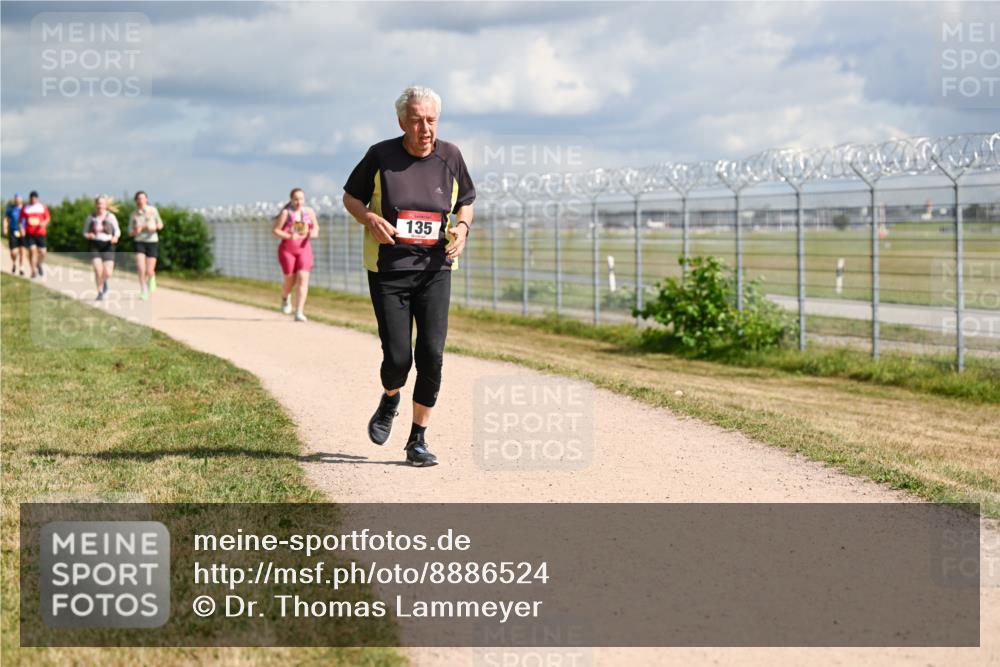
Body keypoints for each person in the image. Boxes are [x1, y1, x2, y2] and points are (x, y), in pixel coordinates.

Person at [342, 85, 475, 467]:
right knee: (398, 357)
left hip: (435, 269)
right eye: (416, 120)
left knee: (431, 353)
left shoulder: (451, 156)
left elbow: (466, 201)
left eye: (431, 120)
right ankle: (390, 397)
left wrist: (462, 229)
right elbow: (351, 196)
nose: (425, 128)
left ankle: (417, 439)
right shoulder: (380, 155)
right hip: (389, 270)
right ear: (402, 121)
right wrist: (368, 217)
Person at [272, 187, 319, 322]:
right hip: (287, 250)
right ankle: (285, 298)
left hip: (304, 249)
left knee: (303, 278)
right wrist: (288, 235)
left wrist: (313, 233)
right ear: (291, 200)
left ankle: (299, 311)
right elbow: (275, 230)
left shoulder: (309, 212)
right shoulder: (286, 213)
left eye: (301, 199)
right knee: (290, 279)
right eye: (296, 199)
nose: (299, 202)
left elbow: (316, 227)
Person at [82, 195, 121, 300]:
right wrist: (88, 235)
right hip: (95, 244)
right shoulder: (91, 217)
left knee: (108, 272)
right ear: (96, 205)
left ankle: (104, 282)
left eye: (102, 203)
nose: (100, 206)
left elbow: (117, 230)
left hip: (108, 244)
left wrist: (115, 237)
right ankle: (100, 292)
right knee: (98, 270)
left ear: (106, 205)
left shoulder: (111, 217)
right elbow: (84, 232)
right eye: (98, 203)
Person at [129, 191, 163, 299]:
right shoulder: (134, 214)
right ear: (136, 200)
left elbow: (160, 225)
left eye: (143, 198)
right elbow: (130, 232)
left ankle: (152, 277)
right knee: (140, 267)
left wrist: (154, 227)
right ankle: (143, 290)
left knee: (149, 270)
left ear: (146, 199)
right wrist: (138, 230)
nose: (141, 200)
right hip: (139, 241)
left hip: (152, 241)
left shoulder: (153, 211)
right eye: (138, 198)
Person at [20, 191, 50, 278]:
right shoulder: (25, 208)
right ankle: (33, 271)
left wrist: (44, 223)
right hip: (30, 234)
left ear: (37, 199)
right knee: (32, 251)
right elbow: (20, 221)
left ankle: (39, 264)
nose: (33, 200)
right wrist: (22, 228)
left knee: (43, 252)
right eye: (31, 199)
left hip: (40, 233)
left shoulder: (42, 207)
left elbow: (47, 218)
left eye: (34, 199)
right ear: (30, 199)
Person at [4, 193, 25, 275]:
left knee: (22, 251)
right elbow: (5, 218)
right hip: (13, 231)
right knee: (13, 252)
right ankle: (14, 263)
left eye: (19, 198)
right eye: (16, 199)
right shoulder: (10, 209)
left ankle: (21, 268)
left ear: (21, 200)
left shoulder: (25, 209)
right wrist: (5, 228)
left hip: (23, 232)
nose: (17, 200)